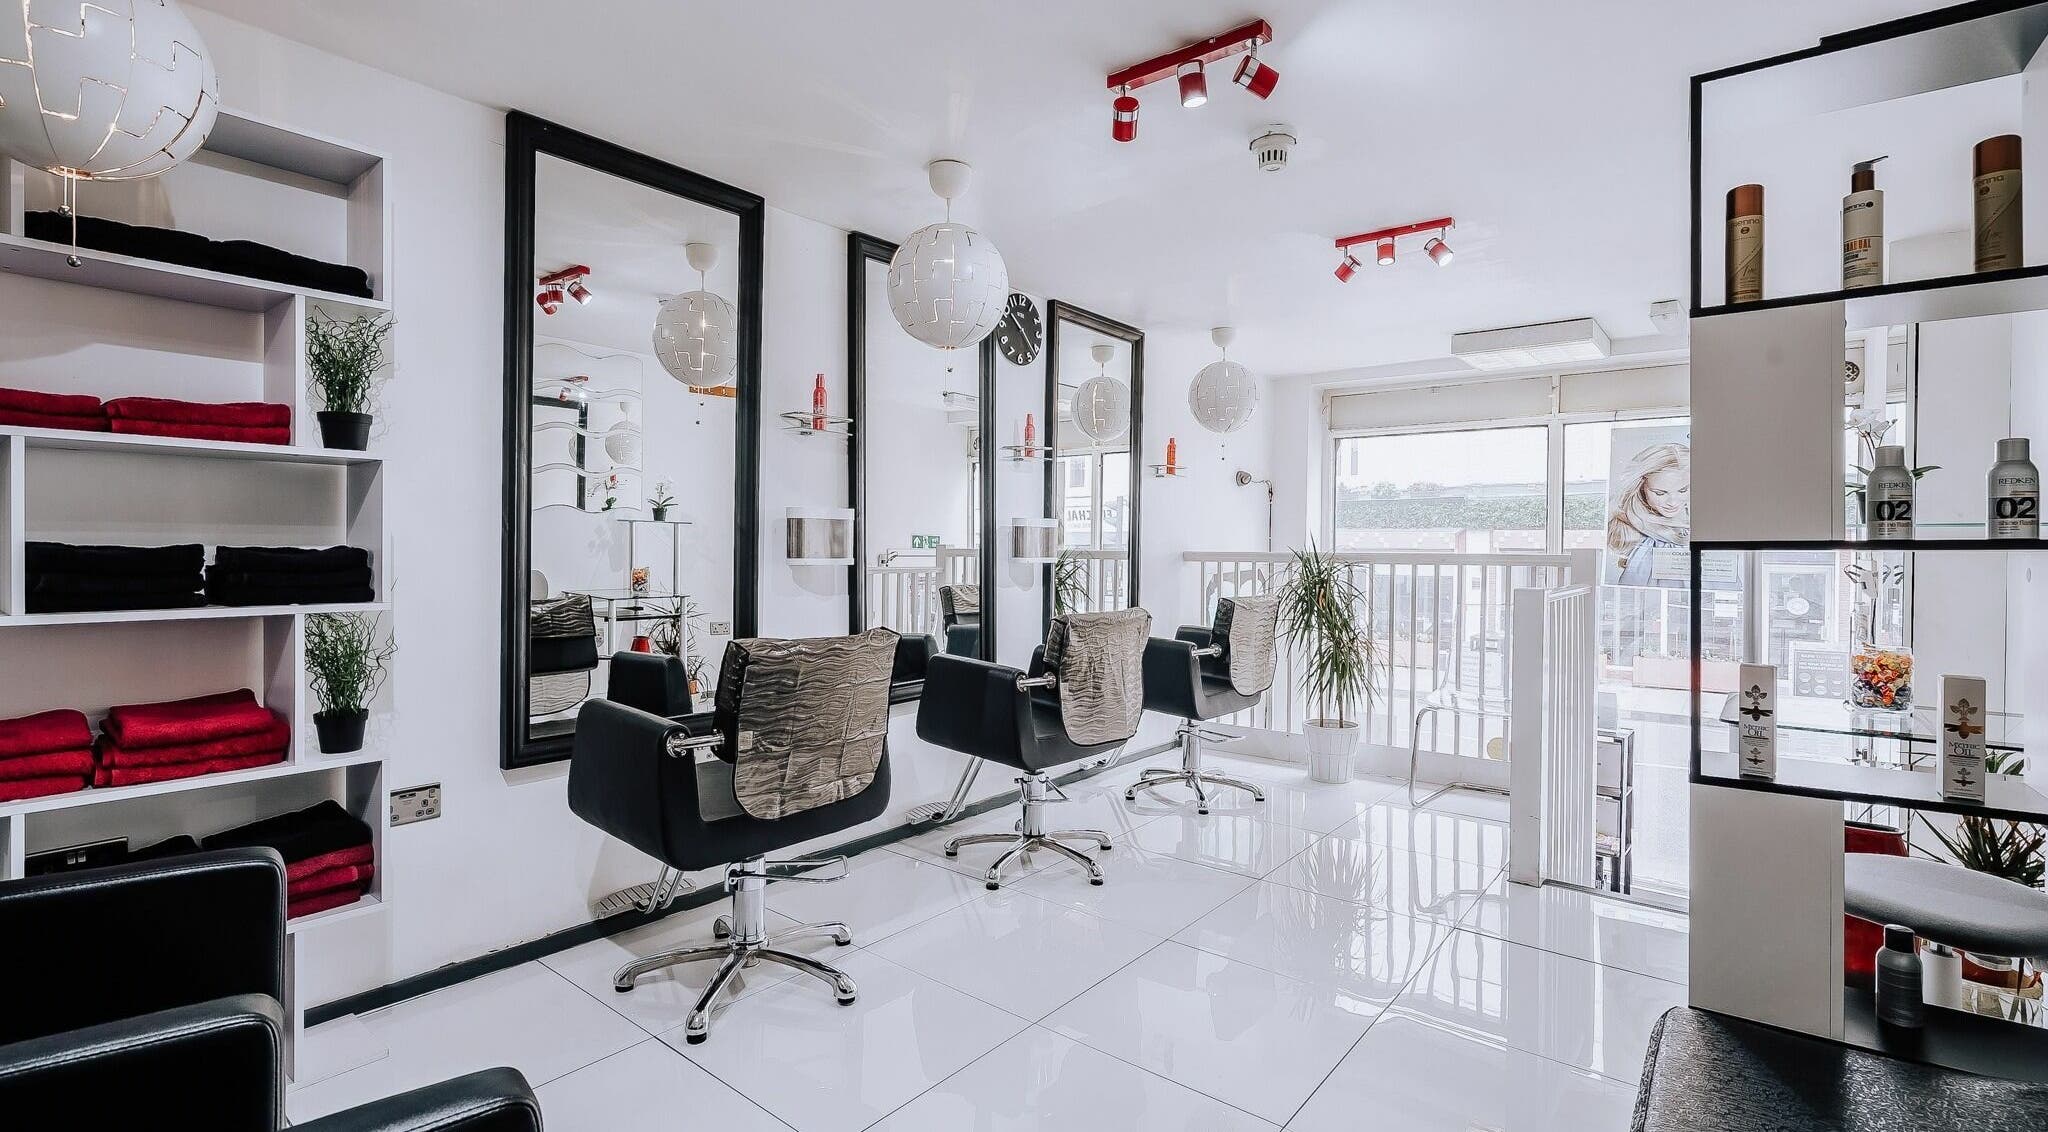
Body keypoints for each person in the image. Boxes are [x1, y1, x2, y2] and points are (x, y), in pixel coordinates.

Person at [1608, 441, 1689, 587]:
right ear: (1641, 487)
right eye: (1660, 493)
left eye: (1683, 490)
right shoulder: (1627, 526)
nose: (1673, 502)